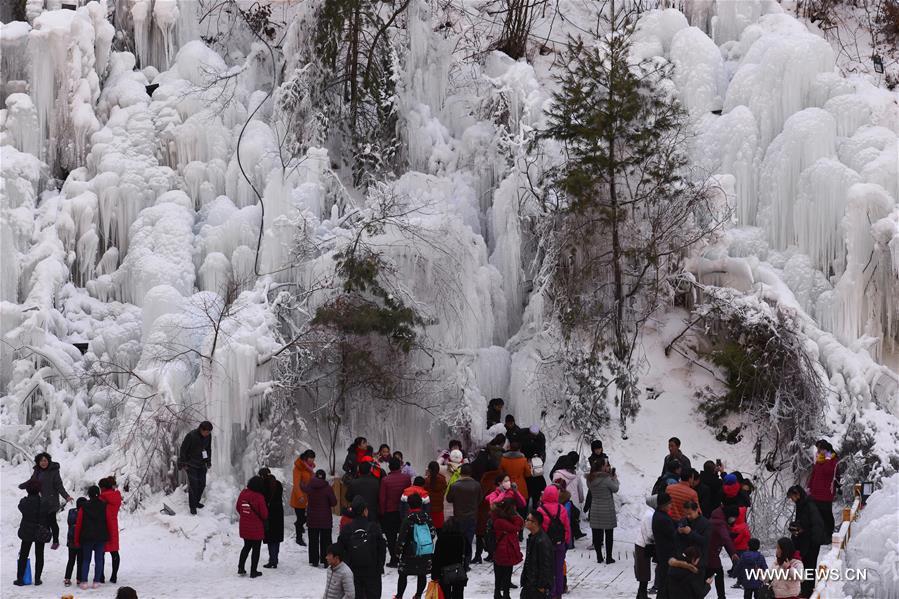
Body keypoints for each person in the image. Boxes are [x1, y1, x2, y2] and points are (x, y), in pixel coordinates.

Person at [19, 452, 73, 548]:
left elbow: (59, 485)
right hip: (40, 501)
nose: (43, 463)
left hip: (51, 501)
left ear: (48, 461)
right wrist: (23, 485)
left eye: (45, 460)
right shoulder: (37, 471)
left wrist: (67, 496)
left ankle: (55, 541)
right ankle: (47, 537)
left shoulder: (53, 471)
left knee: (52, 521)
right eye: (41, 461)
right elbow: (32, 481)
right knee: (44, 521)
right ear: (38, 462)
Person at [338, 497, 386, 599]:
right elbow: (382, 549)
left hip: (352, 570)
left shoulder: (347, 528)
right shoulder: (374, 527)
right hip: (372, 570)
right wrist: (379, 565)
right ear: (365, 511)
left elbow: (340, 550)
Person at [787, 485, 826, 597]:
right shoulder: (803, 504)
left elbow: (814, 524)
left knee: (809, 567)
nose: (792, 500)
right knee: (805, 566)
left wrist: (800, 529)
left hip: (811, 543)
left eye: (792, 497)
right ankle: (805, 591)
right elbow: (804, 522)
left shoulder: (808, 505)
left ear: (797, 494)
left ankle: (808, 592)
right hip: (807, 541)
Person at [395, 493, 436, 599]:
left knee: (403, 575)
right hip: (424, 550)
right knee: (422, 574)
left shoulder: (408, 519)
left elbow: (402, 538)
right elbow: (432, 533)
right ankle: (418, 595)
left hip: (409, 552)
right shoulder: (427, 517)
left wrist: (398, 551)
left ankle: (399, 596)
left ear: (409, 505)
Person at [537, 484, 570, 599]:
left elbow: (538, 529)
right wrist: (565, 541)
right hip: (559, 544)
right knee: (559, 570)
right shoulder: (562, 509)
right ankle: (558, 592)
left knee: (546, 569)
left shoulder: (540, 510)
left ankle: (549, 592)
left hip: (545, 545)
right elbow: (567, 527)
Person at [446, 464, 481, 568]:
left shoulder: (455, 486)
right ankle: (466, 562)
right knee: (469, 540)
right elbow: (480, 499)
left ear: (460, 473)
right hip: (472, 516)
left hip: (458, 516)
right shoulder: (477, 485)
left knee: (458, 540)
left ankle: (457, 561)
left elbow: (449, 499)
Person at [75, 484, 109, 589]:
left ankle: (84, 581)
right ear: (98, 494)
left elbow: (79, 523)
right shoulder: (104, 506)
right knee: (99, 559)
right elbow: (108, 521)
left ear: (88, 495)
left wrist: (77, 539)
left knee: (86, 560)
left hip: (87, 536)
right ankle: (96, 581)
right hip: (101, 536)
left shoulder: (84, 507)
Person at [14, 480, 47, 586]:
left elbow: (21, 508)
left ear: (27, 490)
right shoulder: (44, 502)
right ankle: (37, 579)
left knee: (23, 554)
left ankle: (20, 579)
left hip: (27, 530)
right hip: (40, 531)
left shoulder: (24, 502)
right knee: (39, 555)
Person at [380, 457, 412, 567]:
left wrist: (382, 512)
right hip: (404, 511)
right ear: (400, 466)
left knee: (391, 537)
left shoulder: (385, 480)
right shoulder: (406, 478)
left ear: (389, 467)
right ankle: (405, 557)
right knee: (405, 535)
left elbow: (382, 498)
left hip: (390, 512)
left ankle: (394, 559)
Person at [586, 458, 619, 564]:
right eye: (606, 465)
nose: (608, 467)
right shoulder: (607, 479)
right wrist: (614, 478)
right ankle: (609, 557)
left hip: (595, 508)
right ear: (602, 467)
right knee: (609, 534)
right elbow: (615, 488)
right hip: (607, 509)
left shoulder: (590, 479)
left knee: (596, 533)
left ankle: (599, 557)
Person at [304, 469, 338, 568]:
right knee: (326, 540)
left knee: (313, 540)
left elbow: (303, 488)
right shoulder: (328, 488)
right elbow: (334, 503)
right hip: (325, 519)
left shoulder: (310, 487)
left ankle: (314, 560)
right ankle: (326, 560)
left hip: (312, 518)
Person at [236, 476, 268, 578]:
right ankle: (253, 571)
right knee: (256, 549)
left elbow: (238, 507)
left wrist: (245, 515)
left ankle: (241, 568)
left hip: (244, 525)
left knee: (246, 546)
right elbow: (264, 514)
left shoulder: (243, 493)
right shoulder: (259, 496)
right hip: (256, 527)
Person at [178, 421, 213, 515]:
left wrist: (208, 461)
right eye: (206, 432)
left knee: (202, 484)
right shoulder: (191, 436)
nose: (208, 434)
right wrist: (183, 463)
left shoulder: (208, 436)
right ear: (201, 429)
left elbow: (208, 449)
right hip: (191, 464)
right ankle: (192, 507)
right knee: (194, 486)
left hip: (201, 464)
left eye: (209, 432)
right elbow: (183, 449)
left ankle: (196, 502)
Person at [491, 499, 524, 599]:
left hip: (500, 549)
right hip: (505, 550)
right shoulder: (501, 521)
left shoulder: (498, 518)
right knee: (506, 573)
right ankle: (505, 594)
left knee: (500, 573)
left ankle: (498, 593)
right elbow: (518, 526)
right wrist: (516, 515)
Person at [707, 504, 740, 599]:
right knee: (717, 574)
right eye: (734, 517)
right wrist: (733, 553)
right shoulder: (720, 523)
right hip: (712, 553)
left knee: (711, 574)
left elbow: (723, 536)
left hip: (708, 553)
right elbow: (725, 538)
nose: (734, 520)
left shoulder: (717, 519)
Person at [807, 440, 838, 537]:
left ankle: (829, 534)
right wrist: (809, 486)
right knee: (817, 516)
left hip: (826, 494)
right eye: (818, 449)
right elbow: (814, 474)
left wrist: (828, 457)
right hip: (815, 493)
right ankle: (820, 534)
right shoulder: (819, 459)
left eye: (820, 449)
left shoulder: (832, 459)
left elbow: (828, 471)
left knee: (826, 515)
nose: (818, 451)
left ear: (826, 449)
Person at [521, 510, 554, 599]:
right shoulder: (533, 537)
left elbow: (546, 565)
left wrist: (541, 585)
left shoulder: (542, 541)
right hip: (530, 584)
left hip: (536, 587)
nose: (525, 521)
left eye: (528, 519)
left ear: (535, 523)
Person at [432, 517, 468, 599]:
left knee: (444, 594)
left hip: (443, 572)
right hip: (459, 570)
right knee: (458, 594)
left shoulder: (442, 539)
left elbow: (437, 558)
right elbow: (468, 552)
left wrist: (434, 574)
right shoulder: (462, 538)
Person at [551, 456, 585, 540]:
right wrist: (581, 499)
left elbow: (554, 489)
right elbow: (580, 489)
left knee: (563, 520)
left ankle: (566, 537)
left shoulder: (557, 475)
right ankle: (574, 535)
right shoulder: (575, 475)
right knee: (574, 519)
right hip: (575, 501)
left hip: (562, 500)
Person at [651, 492, 677, 599]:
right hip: (666, 553)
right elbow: (673, 535)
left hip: (663, 552)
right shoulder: (663, 519)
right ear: (664, 505)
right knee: (665, 582)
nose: (671, 506)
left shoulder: (659, 515)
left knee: (664, 581)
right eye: (669, 503)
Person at [258, 468, 284, 568]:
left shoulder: (263, 485)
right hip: (278, 512)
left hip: (268, 513)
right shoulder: (278, 484)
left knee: (270, 537)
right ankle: (275, 558)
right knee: (276, 538)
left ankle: (272, 559)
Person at [676, 501, 710, 576]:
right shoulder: (683, 521)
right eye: (686, 514)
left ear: (697, 510)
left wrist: (690, 533)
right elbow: (677, 539)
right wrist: (679, 532)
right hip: (684, 559)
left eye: (690, 514)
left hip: (698, 560)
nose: (688, 516)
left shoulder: (705, 523)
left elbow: (705, 541)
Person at [99, 476, 123, 583]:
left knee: (101, 552)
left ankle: (101, 576)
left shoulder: (101, 498)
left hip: (102, 526)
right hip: (113, 525)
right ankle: (114, 576)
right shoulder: (117, 497)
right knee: (114, 552)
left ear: (103, 488)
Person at [291, 449, 316, 546]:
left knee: (306, 517)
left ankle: (298, 525)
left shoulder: (309, 468)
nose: (312, 460)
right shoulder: (298, 468)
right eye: (310, 458)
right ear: (306, 458)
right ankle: (299, 538)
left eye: (313, 458)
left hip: (309, 496)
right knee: (301, 518)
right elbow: (296, 484)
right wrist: (300, 496)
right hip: (299, 498)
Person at [634, 496, 656, 599]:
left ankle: (641, 594)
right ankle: (642, 595)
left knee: (643, 571)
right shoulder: (650, 515)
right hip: (643, 545)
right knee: (644, 572)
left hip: (642, 544)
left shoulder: (650, 513)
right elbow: (650, 534)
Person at [500, 441, 532, 507]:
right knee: (520, 505)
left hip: (507, 485)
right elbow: (528, 474)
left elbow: (500, 473)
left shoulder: (503, 459)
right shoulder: (523, 460)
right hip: (520, 485)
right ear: (519, 449)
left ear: (510, 448)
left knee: (508, 506)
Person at [65, 497, 87, 586]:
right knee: (80, 561)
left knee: (71, 560)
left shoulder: (71, 512)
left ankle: (67, 578)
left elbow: (69, 522)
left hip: (71, 540)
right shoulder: (85, 514)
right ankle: (79, 578)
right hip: (81, 541)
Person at [425, 461, 448, 529]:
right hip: (439, 509)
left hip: (429, 509)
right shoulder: (443, 480)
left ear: (429, 470)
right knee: (439, 529)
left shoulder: (427, 481)